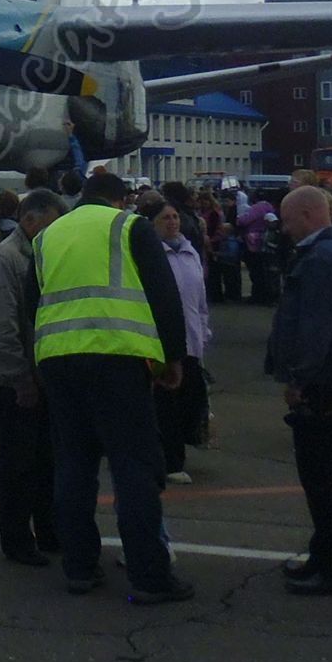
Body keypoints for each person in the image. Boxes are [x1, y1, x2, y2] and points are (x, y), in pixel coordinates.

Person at [33, 169, 193, 605]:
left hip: (58, 359)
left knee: (73, 464)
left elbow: (37, 298)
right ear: (119, 200)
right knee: (133, 465)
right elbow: (163, 292)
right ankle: (148, 575)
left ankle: (80, 567)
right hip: (117, 359)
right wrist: (172, 358)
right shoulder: (128, 226)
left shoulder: (48, 236)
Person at [266, 186, 332, 596]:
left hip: (323, 382)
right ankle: (326, 555)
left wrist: (298, 379)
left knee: (323, 481)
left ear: (308, 215)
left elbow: (315, 327)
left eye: (288, 221)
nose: (285, 229)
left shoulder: (322, 260)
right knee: (326, 479)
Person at [0, 189, 64, 565]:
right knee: (18, 464)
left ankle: (48, 530)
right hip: (19, 379)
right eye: (50, 223)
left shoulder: (40, 255)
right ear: (29, 220)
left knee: (46, 460)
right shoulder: (5, 260)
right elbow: (1, 327)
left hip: (43, 375)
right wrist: (19, 378)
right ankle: (17, 539)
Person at [139, 192, 209, 484]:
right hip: (163, 341)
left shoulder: (190, 251)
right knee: (165, 402)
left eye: (175, 217)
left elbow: (200, 298)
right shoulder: (152, 256)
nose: (172, 222)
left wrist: (204, 331)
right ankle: (170, 460)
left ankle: (179, 447)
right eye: (165, 218)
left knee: (190, 399)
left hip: (192, 339)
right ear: (152, 224)